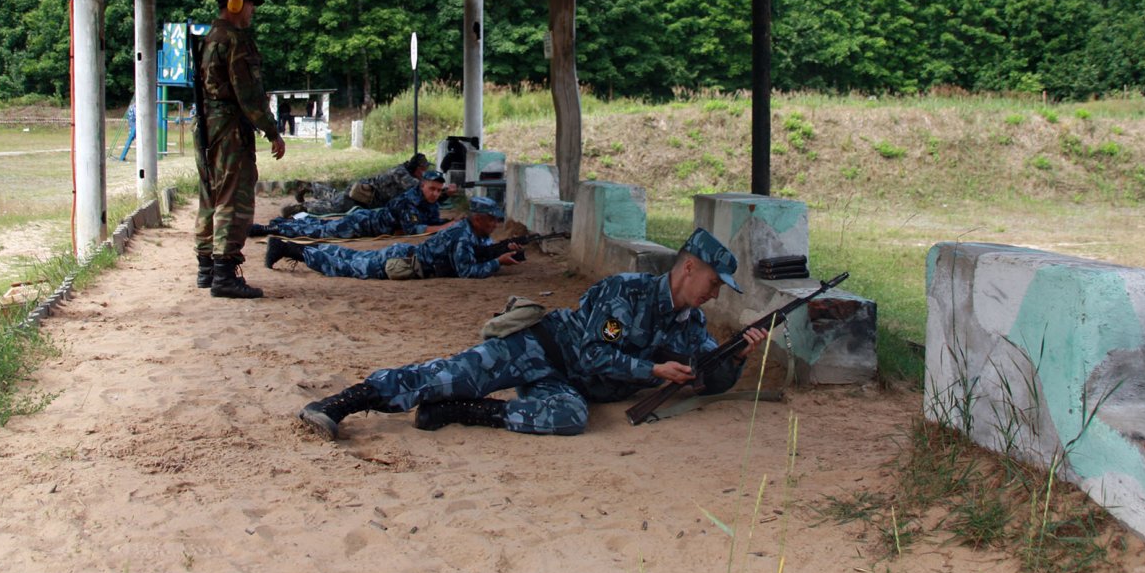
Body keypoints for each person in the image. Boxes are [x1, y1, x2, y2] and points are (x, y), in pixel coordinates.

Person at [296, 228, 766, 440]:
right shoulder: (627, 293)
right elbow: (593, 352)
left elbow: (709, 375)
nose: (715, 294)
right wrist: (651, 369)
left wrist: (738, 356)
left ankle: (461, 413)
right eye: (713, 283)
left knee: (568, 419)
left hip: (568, 385)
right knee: (448, 373)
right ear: (689, 268)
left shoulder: (693, 326)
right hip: (541, 348)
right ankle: (341, 404)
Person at [193, 0, 286, 299]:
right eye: (249, 3)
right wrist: (271, 130)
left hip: (206, 124)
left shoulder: (210, 38)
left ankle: (207, 268)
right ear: (234, 3)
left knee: (211, 194)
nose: (253, 10)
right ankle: (224, 273)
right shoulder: (235, 40)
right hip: (230, 127)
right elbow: (248, 93)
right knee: (235, 196)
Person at [264, 196, 518, 280]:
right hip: (402, 264)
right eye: (492, 220)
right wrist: (498, 262)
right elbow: (466, 271)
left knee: (349, 255)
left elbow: (481, 248)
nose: (496, 225)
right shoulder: (462, 236)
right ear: (478, 218)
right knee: (345, 266)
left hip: (402, 255)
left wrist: (500, 250)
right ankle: (290, 250)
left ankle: (286, 246)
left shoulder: (471, 231)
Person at [254, 170, 453, 240]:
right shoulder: (409, 200)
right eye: (431, 189)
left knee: (320, 227)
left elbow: (432, 221)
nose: (435, 194)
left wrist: (451, 222)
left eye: (438, 190)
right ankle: (272, 228)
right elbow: (415, 229)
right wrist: (447, 226)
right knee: (319, 231)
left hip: (366, 224)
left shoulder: (429, 201)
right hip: (362, 225)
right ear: (422, 185)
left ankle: (279, 224)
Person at [292, 152, 443, 216]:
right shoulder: (402, 174)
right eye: (423, 170)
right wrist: (445, 191)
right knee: (336, 207)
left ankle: (310, 187)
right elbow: (420, 190)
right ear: (417, 168)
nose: (424, 173)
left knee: (334, 196)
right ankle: (302, 208)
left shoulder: (404, 171)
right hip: (362, 196)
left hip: (364, 193)